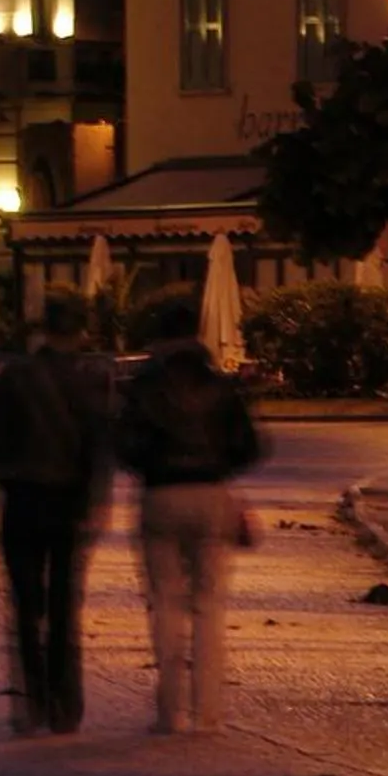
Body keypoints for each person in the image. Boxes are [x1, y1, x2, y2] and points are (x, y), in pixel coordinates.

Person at [116, 293, 265, 736]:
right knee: (209, 604)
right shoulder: (219, 385)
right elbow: (250, 446)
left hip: (160, 494)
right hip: (211, 494)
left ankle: (169, 713)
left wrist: (149, 465)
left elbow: (123, 444)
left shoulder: (144, 386)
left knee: (164, 601)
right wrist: (220, 466)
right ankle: (208, 713)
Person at [0, 287, 113, 735]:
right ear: (80, 330)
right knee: (63, 605)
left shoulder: (16, 376)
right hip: (68, 504)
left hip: (22, 500)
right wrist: (96, 499)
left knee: (25, 605)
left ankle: (32, 700)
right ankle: (64, 703)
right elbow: (99, 446)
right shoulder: (90, 379)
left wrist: (8, 479)